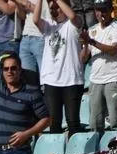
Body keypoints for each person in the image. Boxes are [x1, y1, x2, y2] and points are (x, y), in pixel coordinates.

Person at [35, 0, 84, 137]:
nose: (54, 11)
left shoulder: (73, 25)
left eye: (57, 8)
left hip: (72, 80)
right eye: (51, 9)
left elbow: (73, 17)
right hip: (52, 81)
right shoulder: (48, 26)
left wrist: (57, 0)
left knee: (73, 122)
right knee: (54, 122)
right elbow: (35, 19)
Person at [82, 1, 117, 133]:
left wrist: (91, 41)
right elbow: (83, 58)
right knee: (94, 123)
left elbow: (113, 50)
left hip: (113, 78)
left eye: (104, 10)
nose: (101, 14)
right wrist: (85, 44)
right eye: (98, 10)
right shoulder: (92, 30)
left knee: (115, 121)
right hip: (95, 80)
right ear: (95, 11)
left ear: (111, 10)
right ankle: (98, 151)